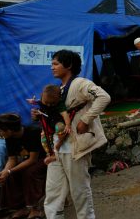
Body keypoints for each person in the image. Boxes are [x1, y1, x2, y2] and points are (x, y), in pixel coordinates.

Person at [42, 49, 110, 219]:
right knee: (53, 193)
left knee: (79, 192)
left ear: (69, 65)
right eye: (52, 64)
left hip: (75, 148)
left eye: (56, 63)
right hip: (57, 150)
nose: (52, 67)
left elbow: (103, 97)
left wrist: (86, 119)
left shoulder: (80, 83)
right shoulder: (59, 89)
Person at [0, 113, 47, 219]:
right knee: (9, 176)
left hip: (45, 158)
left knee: (29, 173)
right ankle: (21, 207)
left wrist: (10, 171)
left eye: (0, 130)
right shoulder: (9, 138)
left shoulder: (32, 132)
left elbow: (33, 159)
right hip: (29, 160)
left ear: (9, 130)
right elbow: (12, 159)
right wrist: (5, 171)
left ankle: (35, 209)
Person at [28, 84, 71, 164]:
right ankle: (49, 154)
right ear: (41, 96)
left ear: (59, 99)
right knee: (43, 139)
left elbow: (65, 114)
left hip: (57, 123)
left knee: (61, 127)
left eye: (52, 103)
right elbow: (37, 102)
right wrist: (32, 102)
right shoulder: (41, 101)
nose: (48, 105)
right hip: (47, 127)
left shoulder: (60, 104)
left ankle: (59, 143)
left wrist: (68, 125)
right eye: (46, 102)